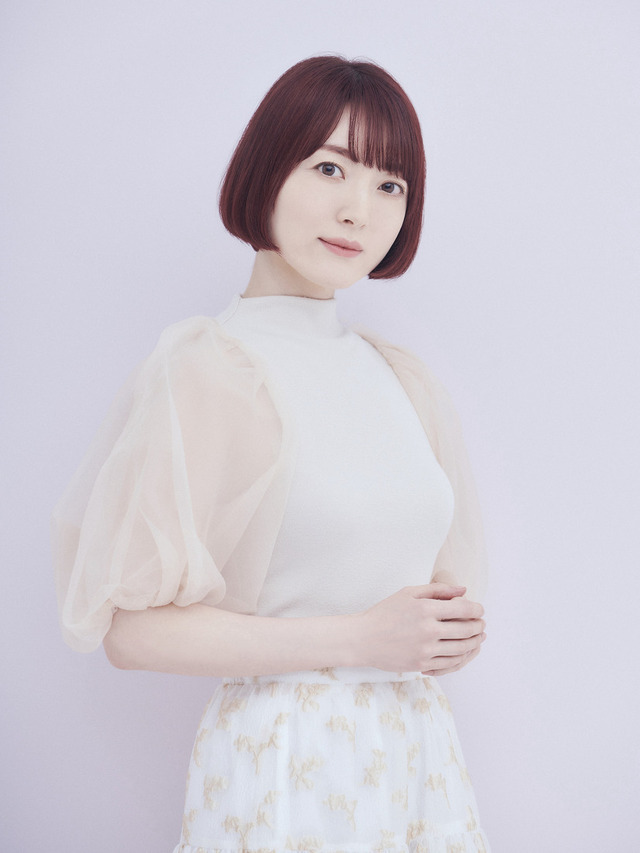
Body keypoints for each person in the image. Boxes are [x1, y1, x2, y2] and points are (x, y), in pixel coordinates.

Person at [53, 55, 491, 852]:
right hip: (288, 758)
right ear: (268, 165)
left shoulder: (400, 376)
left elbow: (421, 588)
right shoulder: (212, 368)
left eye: (390, 185)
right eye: (330, 168)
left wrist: (442, 631)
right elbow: (129, 630)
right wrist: (360, 638)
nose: (358, 210)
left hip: (416, 752)